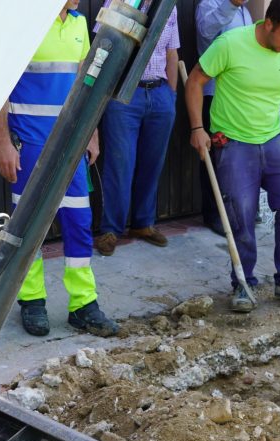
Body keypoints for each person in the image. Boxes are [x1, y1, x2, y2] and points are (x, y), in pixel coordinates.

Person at [185, 0, 280, 313]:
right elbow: (195, 80)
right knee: (241, 213)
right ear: (269, 24)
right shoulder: (231, 43)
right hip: (233, 141)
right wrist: (197, 127)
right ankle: (243, 283)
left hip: (272, 138)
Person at [0, 0, 118, 338]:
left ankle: (83, 304)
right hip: (30, 144)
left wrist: (91, 134)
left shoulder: (79, 26)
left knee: (78, 222)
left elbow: (86, 84)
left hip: (72, 144)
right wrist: (3, 143)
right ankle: (31, 300)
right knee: (29, 224)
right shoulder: (26, 25)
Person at [94, 1, 180, 256]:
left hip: (160, 92)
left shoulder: (169, 7)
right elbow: (103, 45)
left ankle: (143, 224)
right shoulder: (119, 3)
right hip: (124, 96)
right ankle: (111, 230)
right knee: (121, 164)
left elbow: (172, 52)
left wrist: (171, 97)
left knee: (152, 163)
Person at [195, 0, 253, 236]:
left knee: (235, 154)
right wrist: (230, 4)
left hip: (239, 96)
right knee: (214, 154)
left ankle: (235, 211)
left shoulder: (246, 11)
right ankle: (214, 214)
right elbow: (206, 30)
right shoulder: (209, 4)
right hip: (215, 94)